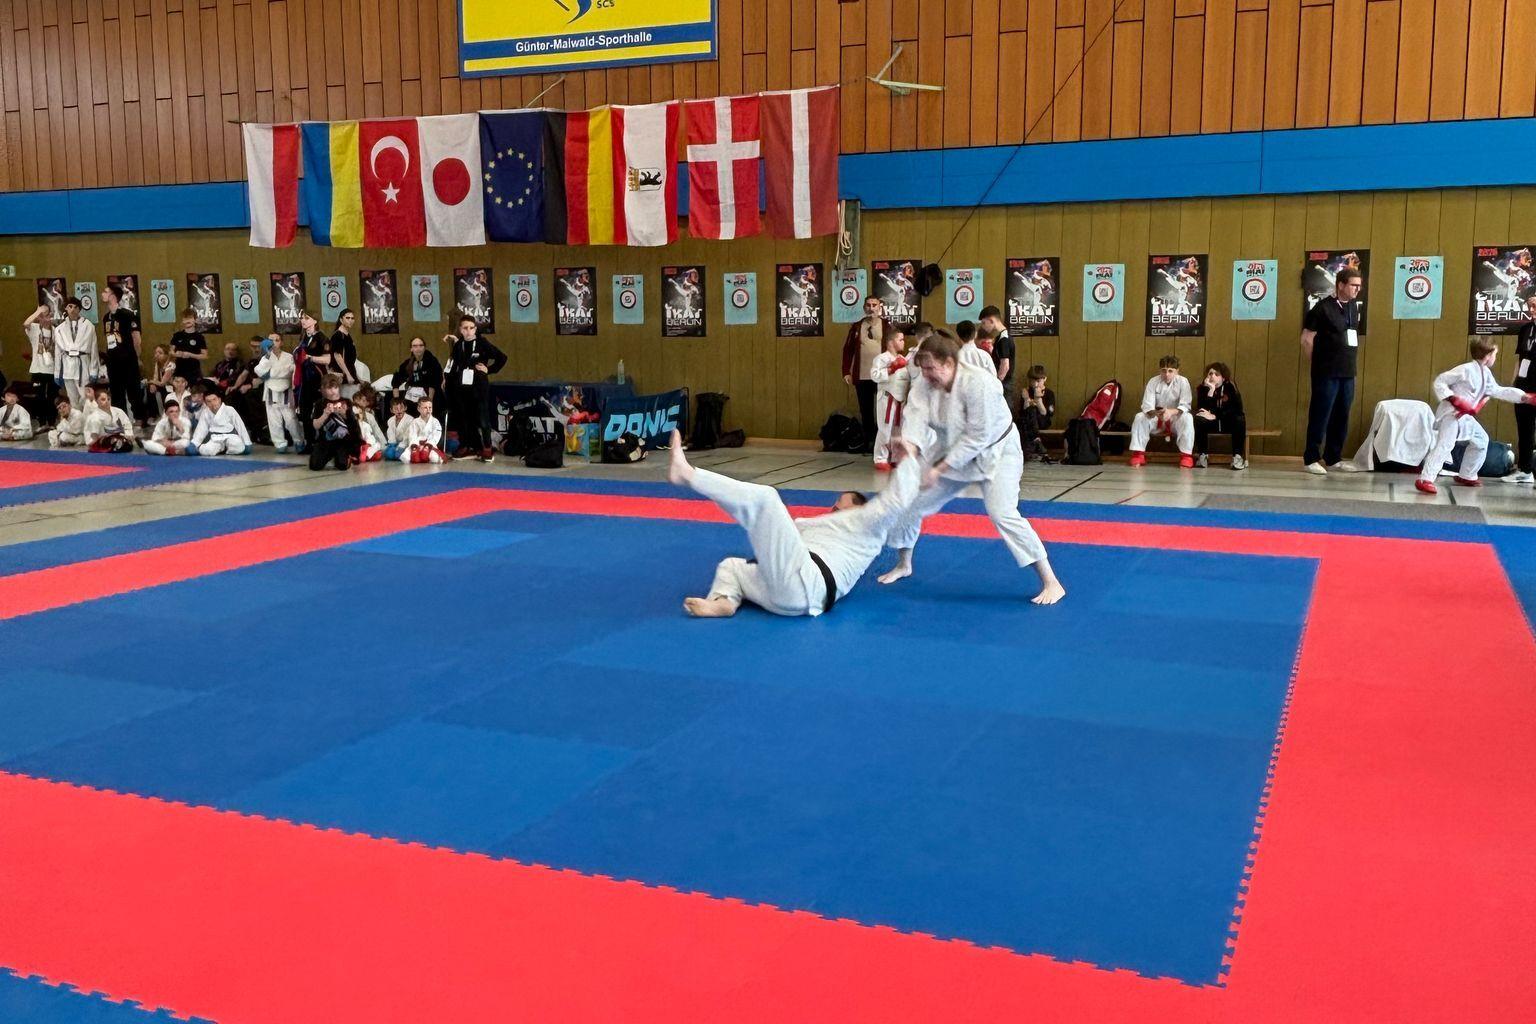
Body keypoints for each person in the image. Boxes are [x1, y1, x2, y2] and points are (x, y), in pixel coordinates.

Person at [879, 331, 1066, 605]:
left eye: (930, 368)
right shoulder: (924, 384)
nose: (925, 374)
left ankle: (1051, 581)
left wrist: (938, 469)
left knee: (1002, 513)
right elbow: (915, 418)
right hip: (950, 447)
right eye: (923, 368)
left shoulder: (980, 384)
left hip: (998, 450)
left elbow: (978, 438)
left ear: (949, 363)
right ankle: (903, 563)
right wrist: (910, 444)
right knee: (911, 498)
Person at [669, 429, 923, 618]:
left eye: (839, 507)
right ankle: (724, 602)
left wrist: (910, 461)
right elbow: (768, 529)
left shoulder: (868, 527)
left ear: (858, 510)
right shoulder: (813, 525)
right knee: (731, 566)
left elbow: (898, 502)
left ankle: (688, 475)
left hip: (810, 582)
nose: (833, 511)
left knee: (766, 498)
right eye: (834, 507)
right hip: (782, 594)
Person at [1414, 339, 1536, 494]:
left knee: (1481, 440)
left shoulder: (1485, 373)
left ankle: (1467, 474)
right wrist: (1453, 398)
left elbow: (1499, 391)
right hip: (1451, 414)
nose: (1495, 358)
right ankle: (1426, 479)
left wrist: (1524, 397)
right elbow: (1440, 381)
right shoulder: (1465, 369)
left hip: (1465, 417)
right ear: (1488, 356)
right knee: (1445, 445)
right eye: (1495, 354)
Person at [1301, 267, 1365, 474]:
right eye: (1354, 285)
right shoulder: (1322, 308)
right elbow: (1306, 339)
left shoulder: (1353, 307)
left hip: (1347, 371)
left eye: (1359, 286)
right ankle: (1311, 458)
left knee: (1341, 414)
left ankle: (1333, 457)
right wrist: (1316, 363)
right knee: (1321, 414)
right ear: (1341, 285)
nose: (1357, 289)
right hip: (1326, 371)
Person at [445, 315, 507, 462]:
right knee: (464, 418)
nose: (468, 331)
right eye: (465, 328)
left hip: (479, 387)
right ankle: (467, 446)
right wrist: (446, 378)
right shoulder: (458, 345)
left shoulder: (482, 343)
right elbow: (452, 364)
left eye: (471, 328)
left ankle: (487, 448)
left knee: (483, 418)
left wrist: (489, 369)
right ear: (460, 329)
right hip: (462, 388)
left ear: (475, 329)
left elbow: (502, 357)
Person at [841, 296, 890, 455]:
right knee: (866, 411)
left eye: (874, 305)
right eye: (868, 305)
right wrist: (846, 371)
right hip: (862, 376)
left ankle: (885, 443)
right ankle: (870, 442)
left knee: (883, 410)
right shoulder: (856, 326)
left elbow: (895, 348)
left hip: (882, 376)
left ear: (879, 307)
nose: (871, 308)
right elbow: (847, 350)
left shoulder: (887, 326)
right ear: (864, 308)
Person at [1128, 355, 1195, 469]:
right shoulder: (1153, 381)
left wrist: (1170, 412)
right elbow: (1147, 406)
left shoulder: (1183, 382)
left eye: (1170, 371)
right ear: (1160, 370)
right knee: (1140, 417)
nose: (1167, 374)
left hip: (1175, 419)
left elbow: (1185, 405)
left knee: (1188, 417)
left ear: (1177, 371)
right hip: (1157, 418)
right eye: (1164, 370)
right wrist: (1158, 414)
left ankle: (1186, 456)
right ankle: (1138, 454)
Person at [101, 283, 146, 425]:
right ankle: (121, 419)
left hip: (128, 358)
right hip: (113, 360)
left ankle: (140, 418)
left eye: (105, 291)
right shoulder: (106, 317)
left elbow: (136, 338)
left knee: (133, 389)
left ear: (113, 296)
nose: (102, 294)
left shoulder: (127, 315)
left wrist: (137, 357)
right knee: (116, 392)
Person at [867, 325, 909, 470]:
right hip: (887, 398)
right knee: (885, 430)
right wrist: (891, 368)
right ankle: (880, 458)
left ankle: (896, 457)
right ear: (891, 342)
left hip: (901, 399)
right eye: (900, 339)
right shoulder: (881, 358)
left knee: (898, 431)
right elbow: (874, 376)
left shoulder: (903, 359)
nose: (903, 342)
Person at [1193, 362, 1248, 470]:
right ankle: (1202, 455)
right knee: (1199, 418)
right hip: (1211, 424)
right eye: (1210, 373)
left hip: (1227, 422)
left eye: (1216, 374)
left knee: (1239, 418)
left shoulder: (1230, 387)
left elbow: (1237, 409)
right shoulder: (1202, 388)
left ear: (1223, 378)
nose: (1212, 376)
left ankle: (1237, 456)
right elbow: (1202, 409)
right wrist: (1211, 391)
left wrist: (1216, 416)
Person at [255, 333, 303, 453]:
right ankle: (280, 444)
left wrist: (271, 373)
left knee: (291, 419)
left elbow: (292, 371)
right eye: (271, 340)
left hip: (286, 390)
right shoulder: (265, 358)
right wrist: (274, 370)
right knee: (274, 420)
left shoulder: (289, 356)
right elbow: (259, 372)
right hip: (271, 391)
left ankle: (299, 441)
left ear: (281, 342)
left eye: (277, 340)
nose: (274, 343)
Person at [296, 310, 334, 445]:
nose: (303, 320)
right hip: (304, 380)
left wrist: (310, 358)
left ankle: (323, 440)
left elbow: (327, 359)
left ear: (315, 321)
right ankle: (309, 441)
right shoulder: (303, 337)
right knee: (305, 412)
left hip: (318, 379)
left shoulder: (322, 338)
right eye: (302, 318)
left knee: (320, 409)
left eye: (306, 318)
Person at [1510, 294, 1536, 484]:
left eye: (1535, 306)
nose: (1531, 310)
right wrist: (1514, 384)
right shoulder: (1526, 329)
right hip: (1524, 386)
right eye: (1530, 306)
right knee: (1524, 428)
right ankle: (1525, 470)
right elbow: (1520, 359)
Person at [54, 297, 97, 409]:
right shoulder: (59, 329)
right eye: (70, 306)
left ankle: (89, 419)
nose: (72, 310)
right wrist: (57, 372)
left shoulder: (88, 326)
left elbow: (94, 349)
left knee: (86, 397)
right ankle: (77, 419)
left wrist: (94, 370)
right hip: (67, 366)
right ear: (66, 308)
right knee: (72, 399)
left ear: (79, 309)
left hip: (83, 364)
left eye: (75, 307)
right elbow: (58, 352)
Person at [309, 388, 362, 471]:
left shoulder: (346, 402)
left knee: (342, 465)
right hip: (325, 441)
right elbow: (316, 426)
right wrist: (325, 415)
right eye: (329, 388)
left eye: (335, 388)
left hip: (342, 441)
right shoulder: (319, 403)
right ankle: (329, 456)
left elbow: (354, 428)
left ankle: (344, 455)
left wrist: (344, 415)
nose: (333, 391)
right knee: (314, 465)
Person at [187, 388, 251, 456]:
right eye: (209, 401)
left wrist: (247, 442)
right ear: (205, 403)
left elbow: (240, 426)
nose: (212, 403)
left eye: (214, 399)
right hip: (215, 439)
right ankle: (219, 449)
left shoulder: (230, 410)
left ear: (219, 399)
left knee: (239, 447)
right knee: (206, 451)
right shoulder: (205, 412)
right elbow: (201, 429)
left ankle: (225, 449)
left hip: (231, 437)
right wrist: (194, 443)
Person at [392, 336, 444, 417]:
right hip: (412, 396)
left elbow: (433, 384)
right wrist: (397, 403)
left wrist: (429, 405)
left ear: (424, 347)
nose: (418, 348)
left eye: (421, 345)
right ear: (411, 349)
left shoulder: (432, 361)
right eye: (415, 346)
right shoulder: (408, 363)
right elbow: (396, 380)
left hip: (429, 395)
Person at [22, 304, 57, 424]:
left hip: (52, 370)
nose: (45, 318)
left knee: (52, 397)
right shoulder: (35, 329)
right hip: (37, 370)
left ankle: (51, 422)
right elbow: (26, 323)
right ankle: (42, 423)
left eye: (47, 315)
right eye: (41, 316)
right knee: (39, 397)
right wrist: (38, 311)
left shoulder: (56, 331)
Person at [978, 305, 1016, 412]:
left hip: (1004, 384)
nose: (983, 326)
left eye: (983, 323)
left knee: (1003, 411)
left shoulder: (1003, 339)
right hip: (1005, 383)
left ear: (991, 320)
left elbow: (1005, 365)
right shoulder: (1003, 336)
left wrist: (996, 382)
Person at [1016, 364, 1055, 461]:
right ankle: (1036, 441)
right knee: (1026, 415)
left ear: (1044, 379)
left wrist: (1038, 400)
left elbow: (1046, 413)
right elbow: (1023, 412)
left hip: (1043, 421)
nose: (1035, 384)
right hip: (1027, 422)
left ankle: (1034, 442)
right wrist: (1026, 400)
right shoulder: (1027, 391)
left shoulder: (1049, 393)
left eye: (1038, 381)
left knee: (1032, 411)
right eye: (1032, 381)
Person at [169, 307, 208, 386]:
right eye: (185, 319)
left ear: (195, 320)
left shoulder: (199, 337)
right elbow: (170, 351)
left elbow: (205, 355)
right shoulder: (177, 335)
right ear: (182, 321)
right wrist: (177, 354)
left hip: (194, 372)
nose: (187, 321)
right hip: (179, 370)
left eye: (190, 318)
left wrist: (190, 355)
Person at [403, 397, 446, 463]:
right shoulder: (415, 422)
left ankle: (424, 456)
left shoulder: (435, 422)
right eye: (425, 408)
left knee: (435, 459)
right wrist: (414, 447)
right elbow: (412, 435)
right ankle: (418, 455)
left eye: (430, 407)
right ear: (419, 409)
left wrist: (428, 446)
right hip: (417, 445)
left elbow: (436, 436)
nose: (428, 410)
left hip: (429, 446)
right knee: (405, 458)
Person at [330, 309, 359, 386]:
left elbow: (350, 361)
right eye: (347, 318)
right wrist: (348, 375)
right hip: (342, 376)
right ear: (341, 320)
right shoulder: (338, 336)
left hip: (350, 373)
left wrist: (357, 377)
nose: (350, 320)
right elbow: (338, 356)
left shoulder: (347, 335)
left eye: (352, 318)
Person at [383, 396, 415, 461]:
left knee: (398, 455)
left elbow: (408, 436)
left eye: (401, 408)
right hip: (395, 444)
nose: (399, 410)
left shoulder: (410, 420)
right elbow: (391, 434)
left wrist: (401, 447)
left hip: (406, 444)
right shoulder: (390, 420)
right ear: (391, 410)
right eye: (396, 408)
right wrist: (392, 445)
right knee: (389, 454)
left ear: (405, 408)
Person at [146, 345, 175, 414]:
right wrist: (152, 384)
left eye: (160, 353)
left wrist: (150, 381)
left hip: (171, 386)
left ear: (166, 355)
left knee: (164, 392)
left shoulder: (171, 365)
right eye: (156, 353)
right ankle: (153, 414)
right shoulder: (158, 363)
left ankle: (167, 413)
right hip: (163, 385)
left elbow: (162, 383)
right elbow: (155, 377)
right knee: (150, 388)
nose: (157, 355)